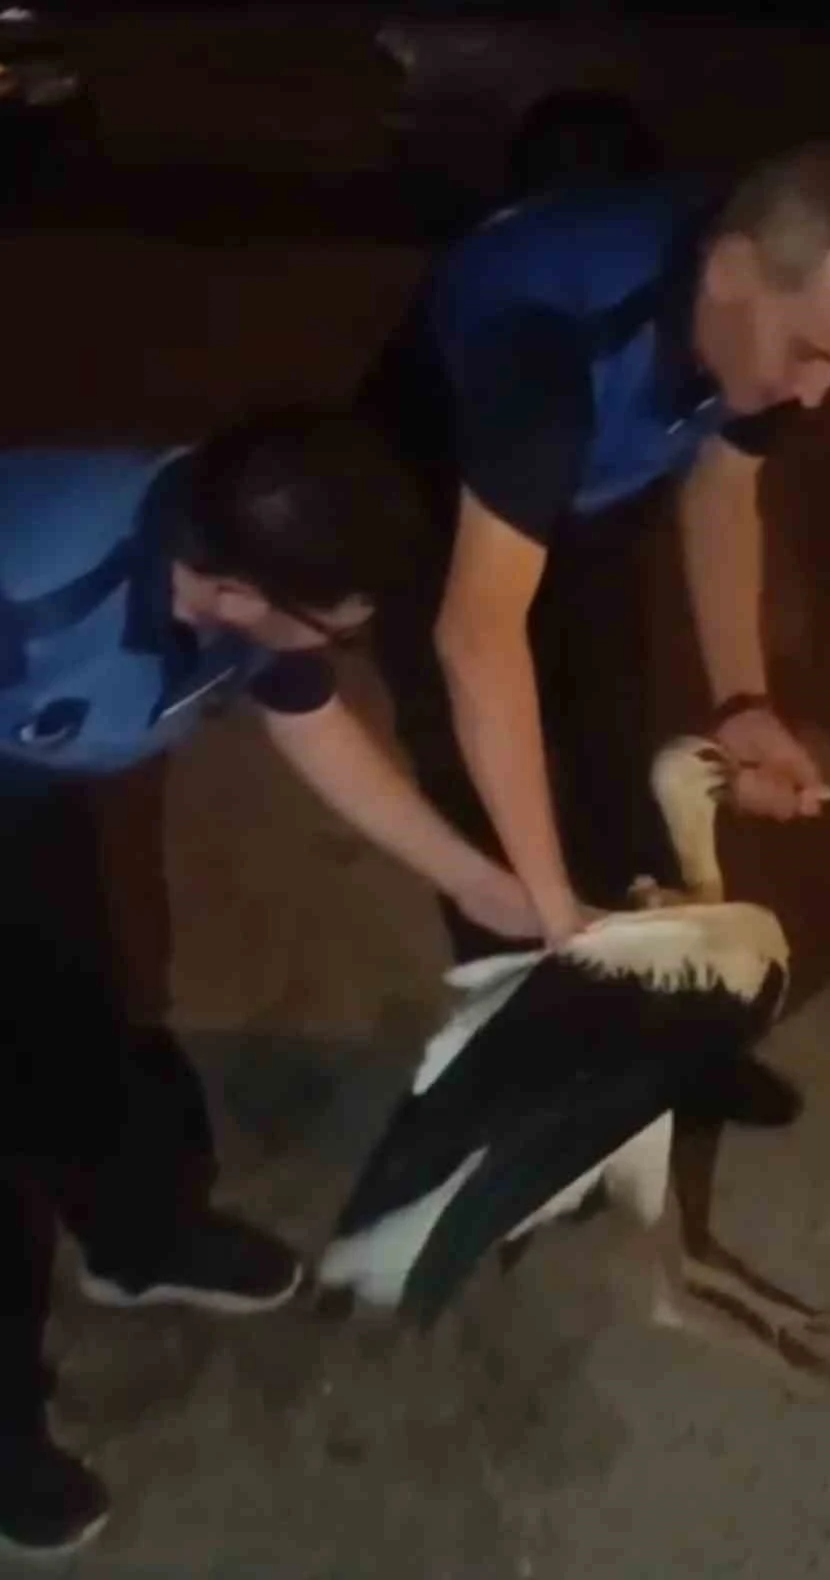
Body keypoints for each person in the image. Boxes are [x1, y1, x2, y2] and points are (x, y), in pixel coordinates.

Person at [0, 410, 539, 1556]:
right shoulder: (39, 602)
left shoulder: (234, 540)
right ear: (234, 593)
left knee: (83, 1031)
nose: (346, 645)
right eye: (336, 627)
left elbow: (306, 712)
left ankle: (138, 1240)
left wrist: (477, 881)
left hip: (24, 786)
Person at [365, 137, 830, 956]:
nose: (815, 394)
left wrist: (742, 704)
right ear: (729, 270)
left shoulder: (759, 305)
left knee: (613, 733)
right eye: (809, 353)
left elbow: (722, 487)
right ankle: (524, 982)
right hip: (437, 488)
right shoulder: (543, 349)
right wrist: (555, 913)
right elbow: (475, 637)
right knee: (476, 775)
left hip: (599, 475)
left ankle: (638, 951)